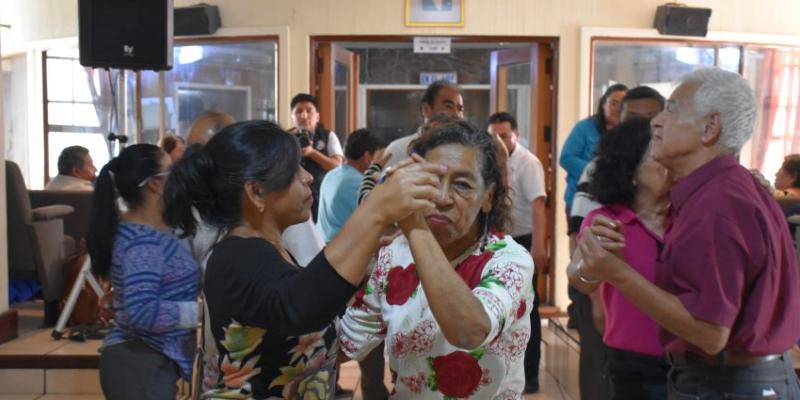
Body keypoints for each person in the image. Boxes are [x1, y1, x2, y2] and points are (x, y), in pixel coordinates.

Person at [162, 120, 443, 399]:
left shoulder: (274, 252)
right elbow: (298, 308)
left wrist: (374, 272)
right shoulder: (236, 257)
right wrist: (376, 210)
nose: (308, 177)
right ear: (256, 192)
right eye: (293, 171)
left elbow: (313, 339)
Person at [580, 67, 800, 398]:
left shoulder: (718, 203)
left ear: (710, 127)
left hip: (729, 384)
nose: (656, 122)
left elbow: (709, 333)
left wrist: (618, 274)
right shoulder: (717, 190)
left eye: (671, 110)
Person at [339, 117, 535, 399]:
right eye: (430, 181)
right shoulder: (395, 255)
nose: (442, 198)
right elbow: (349, 341)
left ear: (488, 197)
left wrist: (413, 224)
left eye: (462, 185)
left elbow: (469, 332)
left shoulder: (509, 261)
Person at [567, 119, 671, 400]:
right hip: (632, 362)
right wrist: (587, 269)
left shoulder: (688, 215)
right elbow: (581, 277)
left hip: (689, 361)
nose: (668, 164)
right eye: (656, 157)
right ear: (631, 170)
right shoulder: (606, 221)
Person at [87, 144, 199, 399]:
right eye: (172, 170)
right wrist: (202, 313)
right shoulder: (143, 243)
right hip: (141, 364)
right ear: (155, 185)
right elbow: (142, 312)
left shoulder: (148, 233)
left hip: (145, 362)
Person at [487, 111, 546, 393]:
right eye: (494, 136)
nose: (500, 141)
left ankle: (531, 375)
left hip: (524, 240)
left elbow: (538, 205)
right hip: (498, 240)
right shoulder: (489, 161)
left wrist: (539, 246)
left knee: (528, 310)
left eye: (505, 135)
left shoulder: (528, 163)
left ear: (516, 135)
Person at [568, 86, 666, 233]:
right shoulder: (601, 166)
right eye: (633, 120)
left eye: (650, 119)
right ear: (620, 121)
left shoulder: (674, 162)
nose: (641, 127)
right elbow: (578, 229)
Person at [318, 128, 383, 242]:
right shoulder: (358, 182)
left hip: (324, 244)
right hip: (343, 248)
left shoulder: (331, 175)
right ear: (367, 156)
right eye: (377, 157)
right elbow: (379, 218)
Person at [382, 80, 465, 169]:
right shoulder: (399, 150)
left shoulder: (466, 152)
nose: (456, 114)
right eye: (449, 106)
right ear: (426, 109)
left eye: (460, 109)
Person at [289, 93, 345, 222]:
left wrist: (312, 152)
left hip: (323, 196)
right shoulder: (286, 137)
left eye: (309, 111)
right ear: (292, 117)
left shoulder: (328, 136)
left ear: (317, 116)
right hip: (294, 197)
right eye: (299, 111)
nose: (304, 116)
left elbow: (337, 166)